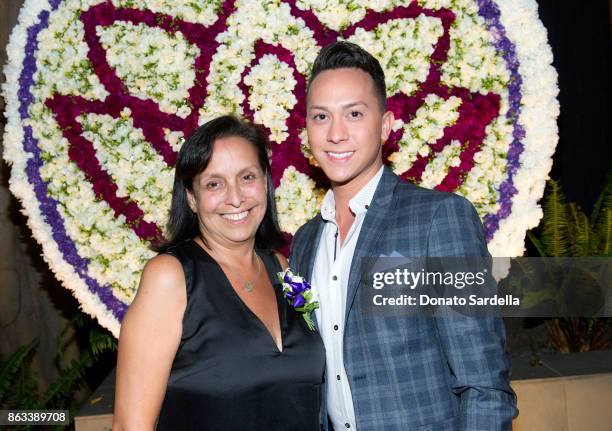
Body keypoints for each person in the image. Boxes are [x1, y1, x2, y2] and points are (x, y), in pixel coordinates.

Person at [290, 42, 518, 430]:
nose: (336, 133)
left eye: (355, 114)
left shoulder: (438, 219)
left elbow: (484, 383)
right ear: (307, 131)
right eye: (321, 117)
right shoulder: (306, 242)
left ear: (385, 125)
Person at [113, 115, 325, 431]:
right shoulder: (169, 278)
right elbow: (132, 426)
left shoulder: (281, 268)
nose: (235, 197)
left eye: (247, 177)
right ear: (191, 198)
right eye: (214, 183)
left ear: (265, 182)